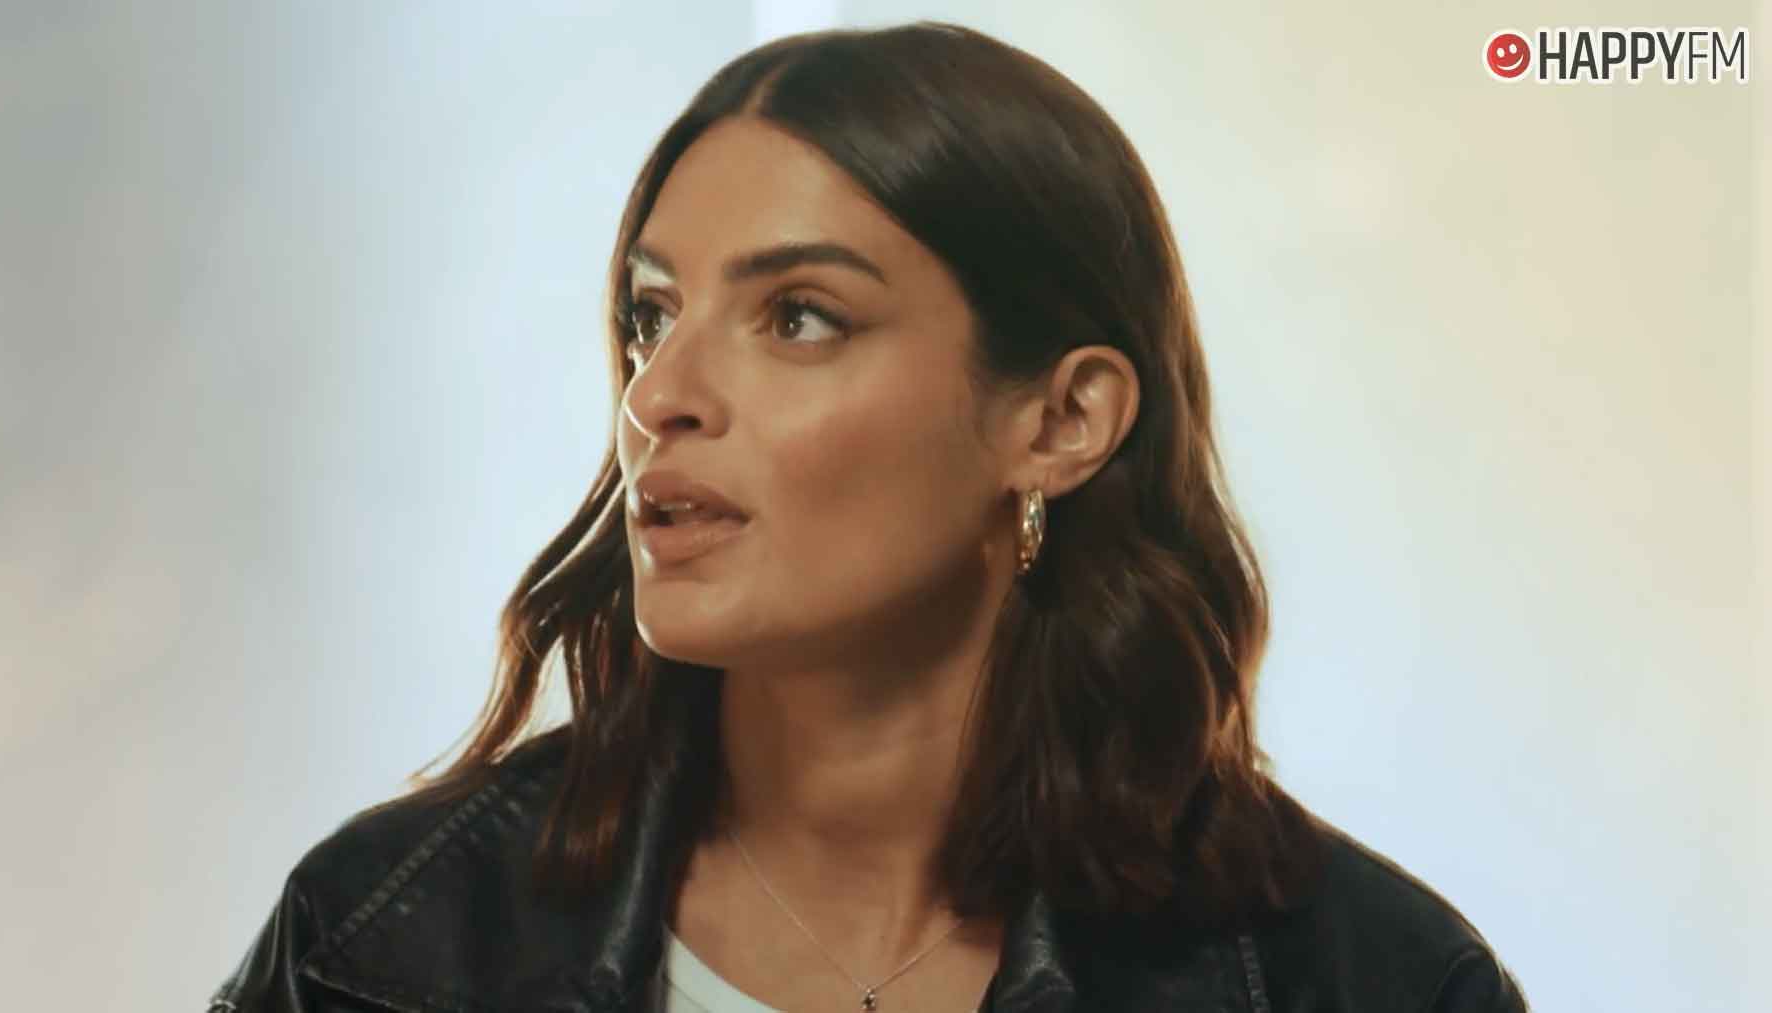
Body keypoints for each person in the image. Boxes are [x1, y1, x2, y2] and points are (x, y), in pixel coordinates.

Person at [209, 20, 1529, 1013]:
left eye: (799, 317)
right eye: (652, 315)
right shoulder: (380, 945)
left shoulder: (1364, 982)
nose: (658, 395)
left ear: (1061, 422)